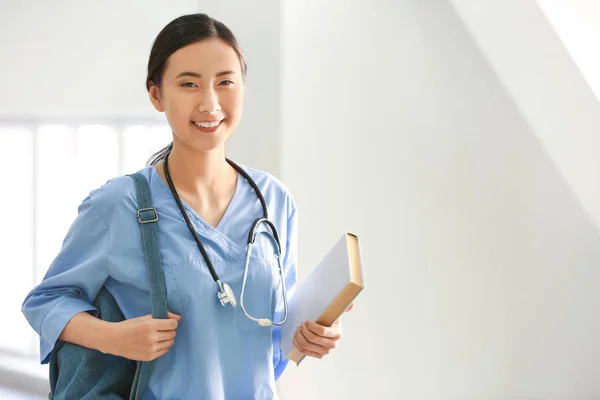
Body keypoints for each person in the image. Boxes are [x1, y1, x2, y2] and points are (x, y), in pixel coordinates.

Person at [21, 12, 353, 399]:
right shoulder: (117, 205)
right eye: (189, 84)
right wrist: (112, 337)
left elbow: (276, 327)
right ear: (156, 95)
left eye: (225, 82)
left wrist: (314, 334)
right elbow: (44, 302)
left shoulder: (274, 200)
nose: (210, 103)